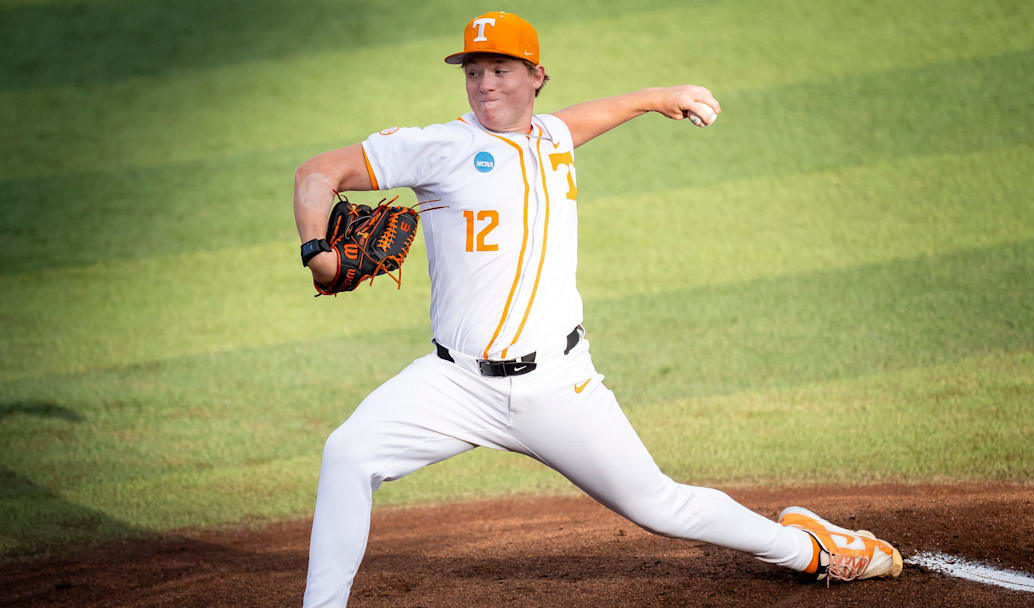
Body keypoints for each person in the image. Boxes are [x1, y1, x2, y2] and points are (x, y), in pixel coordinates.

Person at [292, 11, 901, 607]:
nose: (485, 85)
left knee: (661, 505)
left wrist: (659, 96)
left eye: (500, 69)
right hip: (454, 382)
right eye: (473, 71)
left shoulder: (553, 137)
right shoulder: (438, 147)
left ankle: (811, 550)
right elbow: (318, 171)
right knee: (348, 454)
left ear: (536, 76)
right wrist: (320, 252)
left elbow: (584, 118)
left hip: (558, 385)